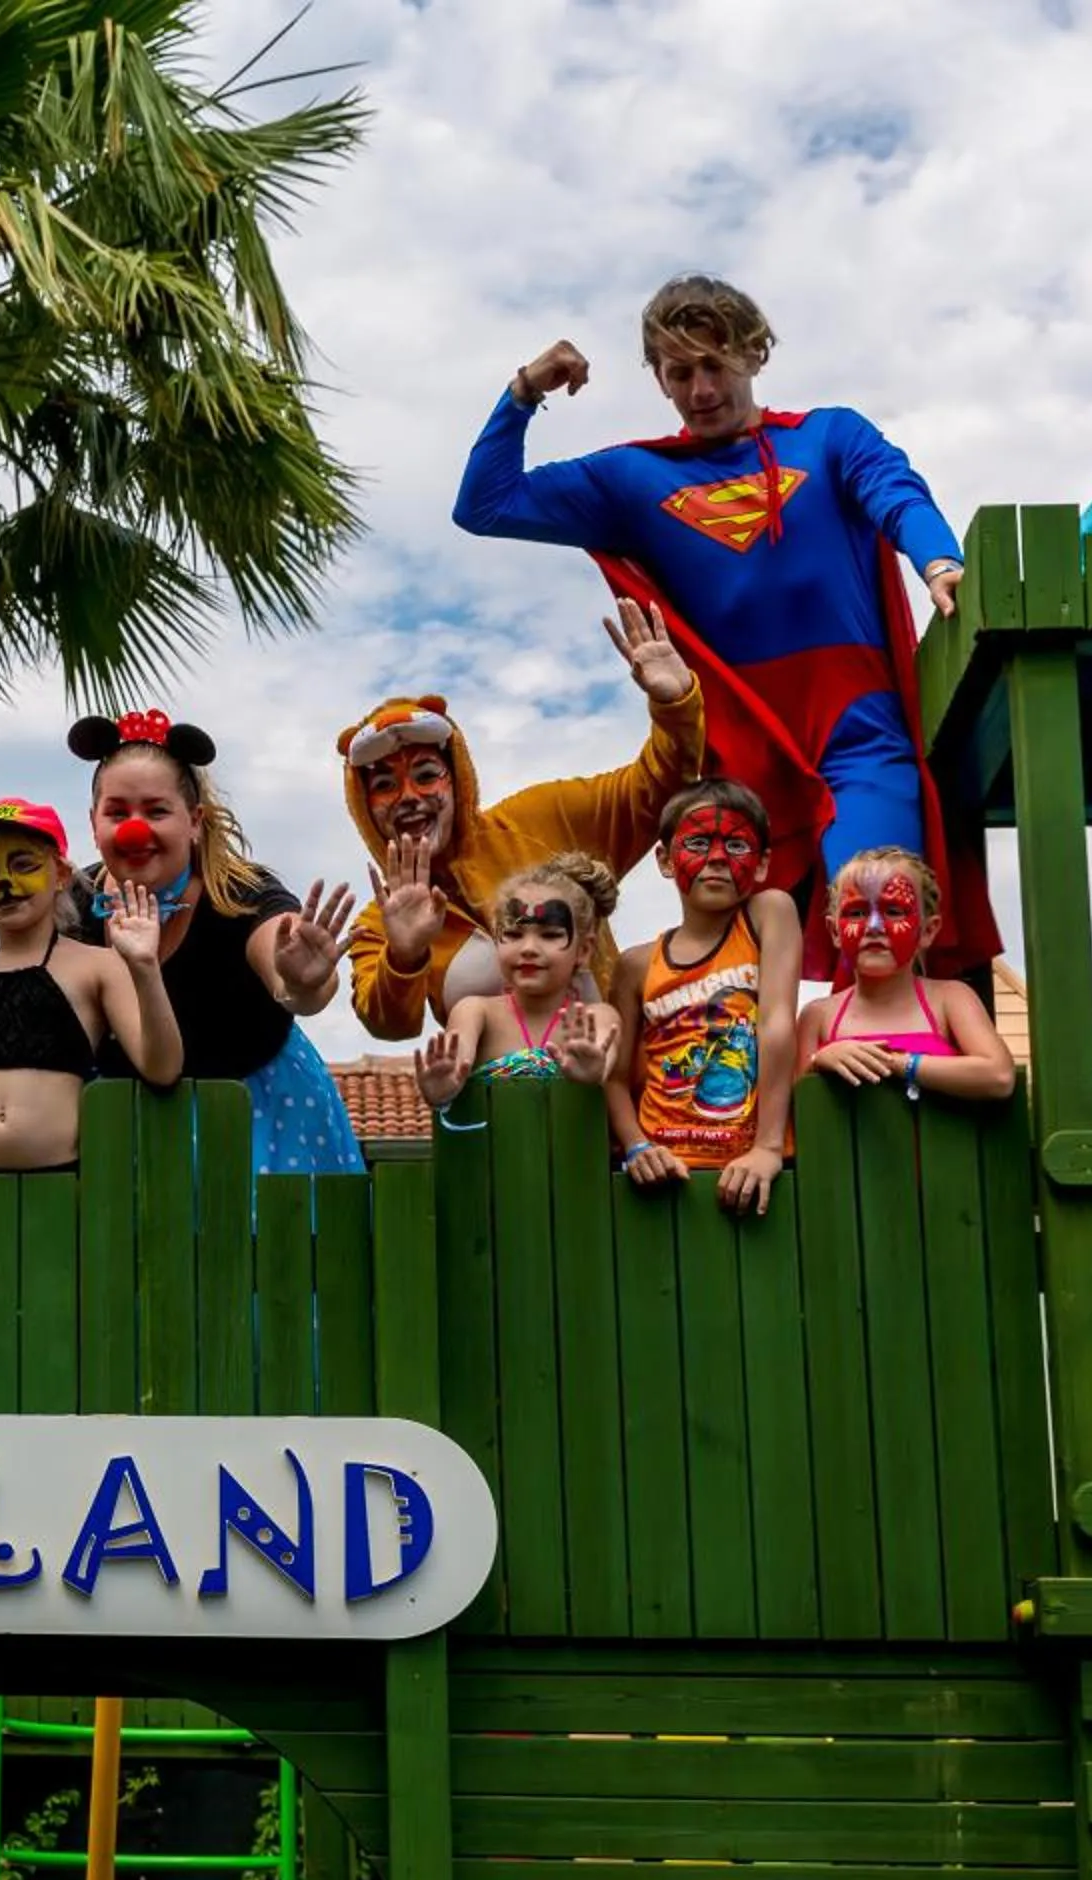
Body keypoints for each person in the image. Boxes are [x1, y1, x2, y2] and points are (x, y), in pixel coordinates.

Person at [452, 272, 999, 981]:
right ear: (659, 380)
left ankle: (910, 1070)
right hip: (744, 746)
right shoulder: (632, 477)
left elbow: (893, 490)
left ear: (754, 354)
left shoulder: (830, 437)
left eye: (715, 365)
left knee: (878, 909)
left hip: (854, 725)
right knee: (737, 973)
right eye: (680, 372)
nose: (701, 389)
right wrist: (524, 391)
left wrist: (936, 561)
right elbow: (485, 505)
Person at [342, 599, 703, 1040]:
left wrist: (675, 704)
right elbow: (389, 1025)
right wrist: (405, 952)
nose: (409, 798)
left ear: (458, 780)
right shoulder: (379, 921)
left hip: (606, 1093)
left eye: (425, 776)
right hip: (497, 1106)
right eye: (384, 786)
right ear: (363, 807)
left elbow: (657, 790)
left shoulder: (543, 818)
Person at [61, 711, 364, 1175]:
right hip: (126, 1131)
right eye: (117, 812)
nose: (134, 828)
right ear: (93, 821)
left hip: (259, 1120)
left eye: (156, 811)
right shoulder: (72, 905)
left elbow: (292, 978)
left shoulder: (241, 892)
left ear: (195, 821)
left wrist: (302, 981)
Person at [0, 800, 181, 1191]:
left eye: (23, 864)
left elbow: (163, 1067)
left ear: (61, 874)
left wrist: (145, 968)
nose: (5, 882)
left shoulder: (98, 966)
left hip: (60, 1188)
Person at [609, 780, 801, 1215]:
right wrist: (637, 1148)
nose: (716, 859)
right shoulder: (636, 966)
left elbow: (775, 1024)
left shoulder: (767, 914)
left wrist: (768, 1147)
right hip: (665, 1170)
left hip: (755, 1165)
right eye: (698, 842)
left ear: (762, 863)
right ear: (663, 857)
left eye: (736, 845)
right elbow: (615, 1077)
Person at [796, 847, 1017, 1101]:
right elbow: (796, 1103)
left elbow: (999, 1076)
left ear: (928, 931)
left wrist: (896, 1064)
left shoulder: (950, 999)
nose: (874, 927)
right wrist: (819, 1061)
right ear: (834, 932)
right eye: (857, 913)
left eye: (894, 911)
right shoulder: (818, 1015)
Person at [411, 855, 624, 1113]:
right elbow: (456, 1063)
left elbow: (602, 1058)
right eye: (513, 934)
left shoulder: (598, 1017)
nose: (529, 948)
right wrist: (441, 1090)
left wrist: (593, 1070)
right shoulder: (476, 1013)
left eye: (549, 935)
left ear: (584, 949)